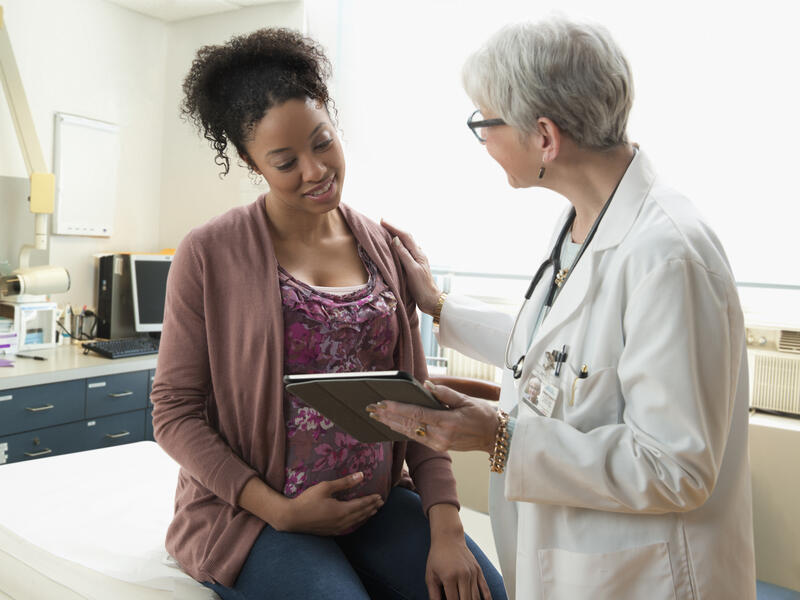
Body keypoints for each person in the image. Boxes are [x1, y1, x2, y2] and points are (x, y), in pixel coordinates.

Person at [372, 16, 756, 600]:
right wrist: (438, 306)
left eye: (485, 123)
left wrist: (499, 438)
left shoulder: (667, 255)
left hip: (650, 581)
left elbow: (676, 467)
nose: (484, 141)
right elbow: (562, 351)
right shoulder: (585, 219)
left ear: (545, 137)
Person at [150, 28, 506, 600]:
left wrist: (447, 526)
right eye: (285, 161)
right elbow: (173, 411)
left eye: (323, 143)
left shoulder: (382, 247)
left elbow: (416, 397)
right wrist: (279, 511)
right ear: (250, 161)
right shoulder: (209, 253)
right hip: (262, 516)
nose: (315, 171)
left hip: (377, 502)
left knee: (487, 594)